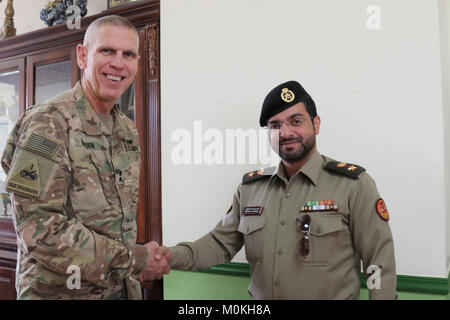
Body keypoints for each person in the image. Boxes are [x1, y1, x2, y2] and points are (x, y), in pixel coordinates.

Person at [160, 80, 397, 299]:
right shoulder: (250, 190)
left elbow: (379, 261)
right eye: (275, 125)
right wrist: (168, 256)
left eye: (296, 121)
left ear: (316, 124)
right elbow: (217, 245)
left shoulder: (353, 185)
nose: (285, 133)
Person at [0, 15, 169, 300]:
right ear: (82, 56)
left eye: (128, 54)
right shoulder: (48, 122)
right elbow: (38, 229)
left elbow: (118, 223)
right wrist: (135, 259)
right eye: (107, 51)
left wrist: (131, 264)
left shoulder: (126, 129)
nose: (118, 63)